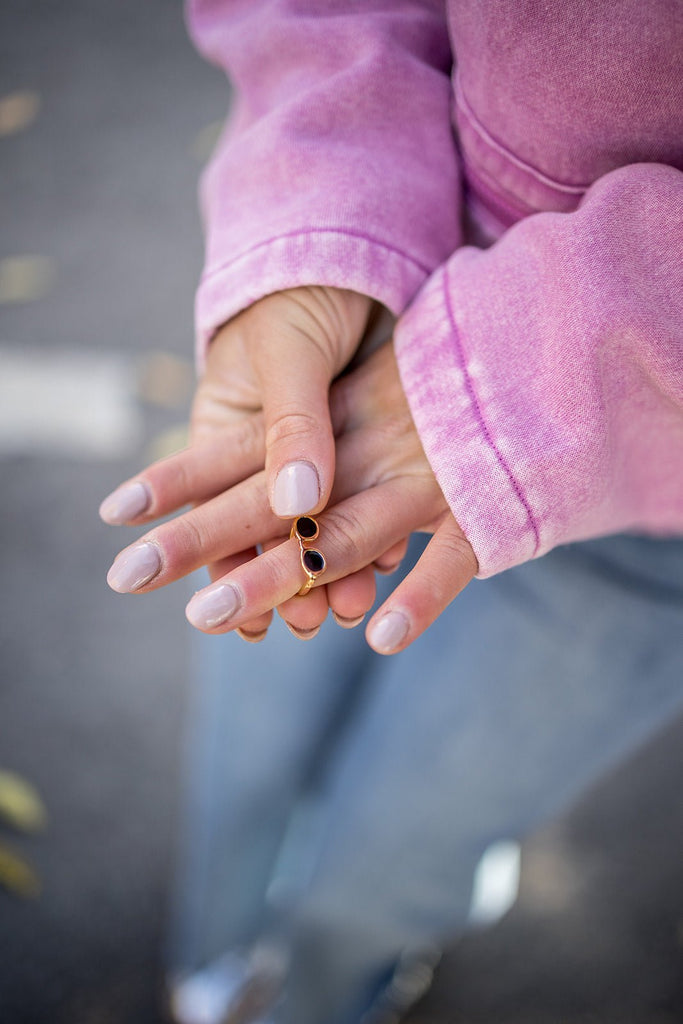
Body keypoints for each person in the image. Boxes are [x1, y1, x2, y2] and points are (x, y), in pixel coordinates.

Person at [99, 2, 683, 1022]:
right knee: (246, 749)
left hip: (650, 521)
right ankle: (218, 944)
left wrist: (516, 378)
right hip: (363, 361)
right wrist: (314, 221)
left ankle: (332, 988)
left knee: (399, 851)